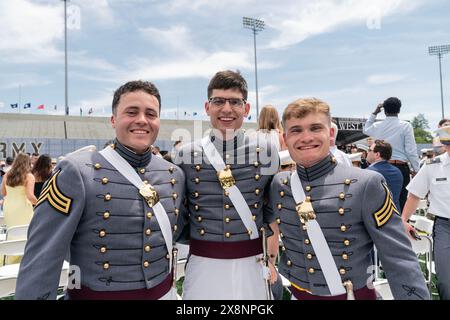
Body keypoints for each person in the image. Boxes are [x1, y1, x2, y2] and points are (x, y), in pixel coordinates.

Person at [16, 80, 185, 300]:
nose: (142, 120)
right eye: (131, 112)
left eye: (151, 114)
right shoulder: (75, 171)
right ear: (113, 120)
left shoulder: (174, 174)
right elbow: (42, 257)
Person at [269, 98, 429, 300]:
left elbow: (398, 258)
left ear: (331, 133)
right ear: (285, 138)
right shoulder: (279, 184)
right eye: (296, 130)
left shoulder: (366, 183)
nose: (306, 137)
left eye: (315, 128)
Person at [175, 70, 280, 300]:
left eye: (235, 101)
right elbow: (179, 214)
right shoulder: (185, 155)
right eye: (218, 101)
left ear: (247, 108)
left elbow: (272, 213)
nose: (226, 109)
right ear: (207, 107)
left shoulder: (268, 153)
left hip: (252, 265)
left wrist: (271, 261)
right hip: (202, 264)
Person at [402, 125, 450, 300]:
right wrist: (404, 220)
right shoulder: (432, 166)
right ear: (444, 145)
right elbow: (415, 194)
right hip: (445, 226)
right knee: (446, 280)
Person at [363, 97, 420, 211]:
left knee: (379, 202)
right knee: (401, 202)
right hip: (400, 167)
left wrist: (374, 113)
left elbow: (366, 129)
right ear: (399, 110)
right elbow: (411, 150)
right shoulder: (405, 126)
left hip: (380, 166)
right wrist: (416, 170)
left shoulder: (377, 126)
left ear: (384, 111)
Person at [1, 153, 37, 228]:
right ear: (28, 163)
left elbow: (3, 193)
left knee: (11, 231)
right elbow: (30, 196)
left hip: (8, 207)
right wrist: (39, 203)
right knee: (24, 232)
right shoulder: (29, 177)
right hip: (23, 207)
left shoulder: (7, 175)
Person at [366, 140, 403, 211]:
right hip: (395, 214)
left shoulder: (368, 172)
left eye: (369, 150)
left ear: (377, 154)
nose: (367, 152)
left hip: (376, 217)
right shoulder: (397, 171)